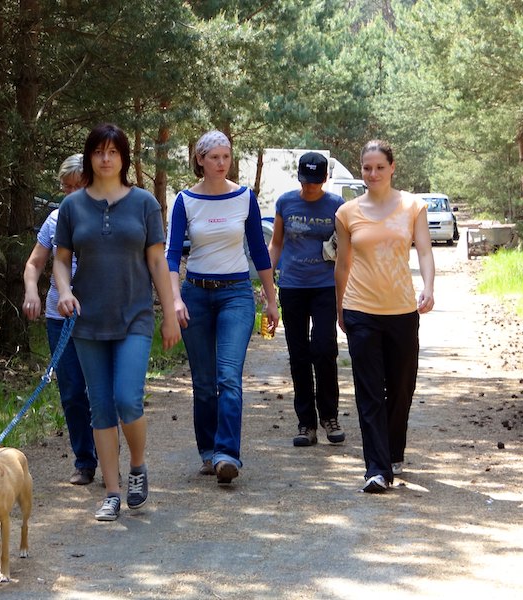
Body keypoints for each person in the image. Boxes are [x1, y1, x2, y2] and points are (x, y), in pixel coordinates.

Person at [52, 124, 181, 521]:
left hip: (134, 317)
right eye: (98, 152)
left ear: (124, 158)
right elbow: (60, 260)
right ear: (89, 157)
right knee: (101, 408)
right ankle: (111, 492)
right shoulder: (73, 207)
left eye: (113, 152)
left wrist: (170, 312)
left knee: (127, 399)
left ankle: (138, 466)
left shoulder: (144, 203)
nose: (105, 158)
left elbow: (157, 261)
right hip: (87, 321)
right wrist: (65, 291)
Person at [165, 130, 279, 486]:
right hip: (196, 294)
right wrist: (175, 299)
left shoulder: (244, 197)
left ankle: (227, 454)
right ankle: (208, 451)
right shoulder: (185, 200)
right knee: (203, 382)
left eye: (226, 157)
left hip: (236, 295)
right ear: (200, 160)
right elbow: (171, 254)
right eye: (214, 157)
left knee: (228, 376)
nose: (221, 163)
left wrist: (271, 298)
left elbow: (259, 250)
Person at [334, 139, 435, 493]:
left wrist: (429, 287)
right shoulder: (347, 213)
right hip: (360, 309)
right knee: (370, 391)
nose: (373, 173)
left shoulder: (412, 206)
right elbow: (342, 264)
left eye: (379, 167)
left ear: (392, 168)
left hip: (402, 310)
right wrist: (340, 307)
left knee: (402, 386)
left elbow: (424, 251)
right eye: (367, 168)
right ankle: (376, 469)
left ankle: (392, 451)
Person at [22, 154, 97, 485]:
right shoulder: (54, 220)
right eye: (66, 187)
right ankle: (84, 461)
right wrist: (32, 292)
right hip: (60, 317)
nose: (70, 194)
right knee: (71, 391)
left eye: (76, 186)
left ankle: (108, 456)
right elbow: (34, 263)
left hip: (99, 317)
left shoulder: (106, 216)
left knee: (102, 392)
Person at [267, 152, 346, 448]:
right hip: (293, 286)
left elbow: (345, 249)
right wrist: (268, 282)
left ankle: (330, 416)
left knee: (324, 349)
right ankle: (306, 423)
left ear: (324, 178)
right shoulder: (285, 203)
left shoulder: (337, 205)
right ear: (299, 177)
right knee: (299, 355)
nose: (310, 187)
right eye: (305, 181)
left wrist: (346, 287)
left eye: (315, 181)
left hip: (325, 286)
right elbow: (276, 244)